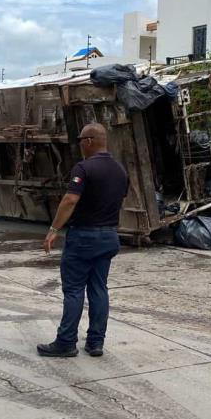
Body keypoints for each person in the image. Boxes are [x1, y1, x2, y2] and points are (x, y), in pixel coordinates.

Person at [37, 123, 128, 358]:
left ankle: (66, 342)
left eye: (80, 140)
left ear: (89, 141)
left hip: (84, 237)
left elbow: (69, 200)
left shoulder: (83, 168)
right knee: (99, 288)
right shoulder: (120, 170)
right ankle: (96, 342)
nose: (79, 145)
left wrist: (53, 229)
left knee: (74, 290)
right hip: (109, 236)